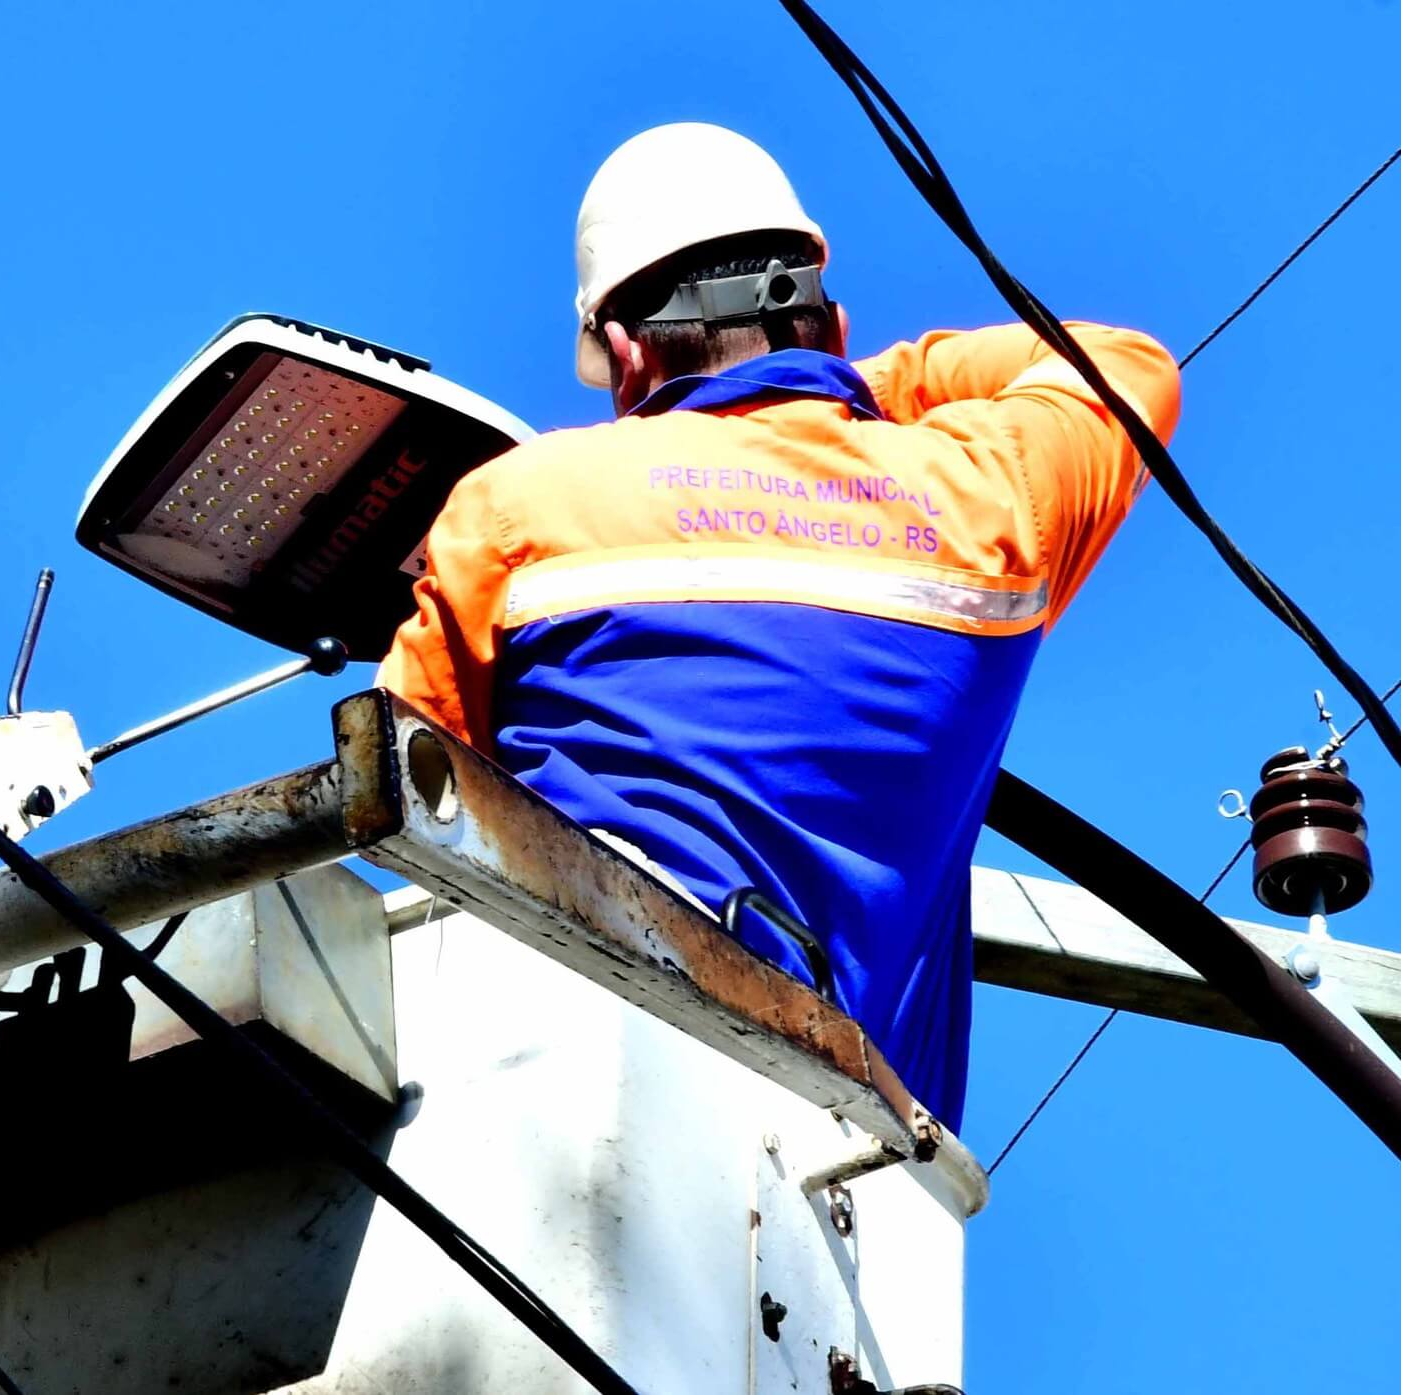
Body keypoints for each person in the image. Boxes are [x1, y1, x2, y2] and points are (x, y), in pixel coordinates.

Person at [376, 122, 1180, 1130]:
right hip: (839, 1157)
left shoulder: (520, 500)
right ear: (826, 319)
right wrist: (859, 391)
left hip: (544, 1059)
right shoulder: (985, 504)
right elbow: (1121, 364)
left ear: (623, 354)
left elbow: (405, 785)